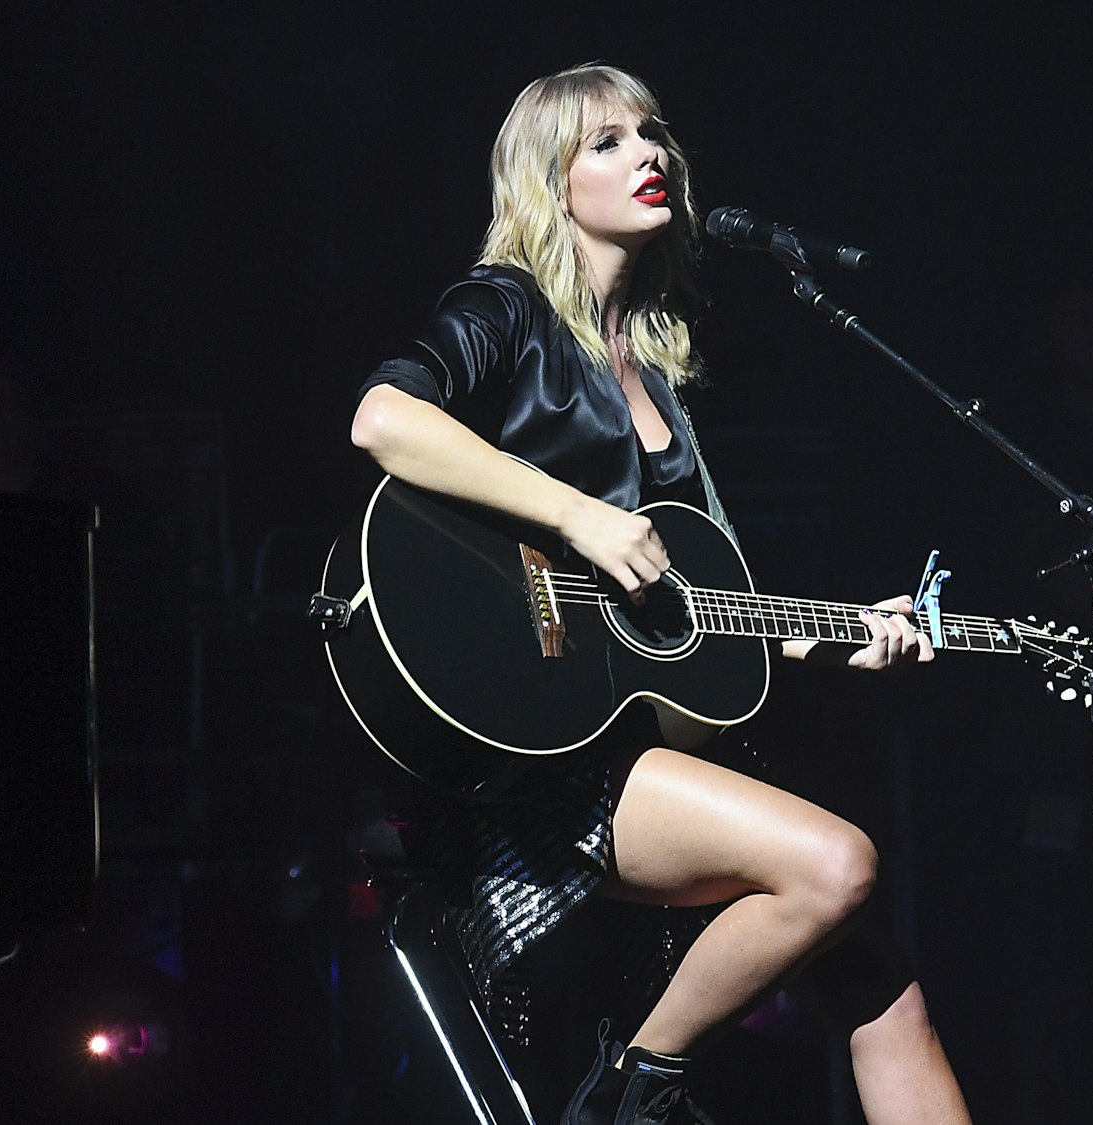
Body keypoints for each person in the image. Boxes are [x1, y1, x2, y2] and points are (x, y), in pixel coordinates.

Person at [350, 63, 973, 1125]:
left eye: (651, 134)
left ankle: (640, 1080)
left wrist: (830, 637)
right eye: (605, 142)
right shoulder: (505, 308)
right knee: (834, 863)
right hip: (545, 761)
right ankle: (635, 1086)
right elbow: (382, 420)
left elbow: (682, 619)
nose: (647, 155)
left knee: (890, 1008)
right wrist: (574, 513)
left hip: (654, 738)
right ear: (548, 183)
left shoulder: (657, 366)